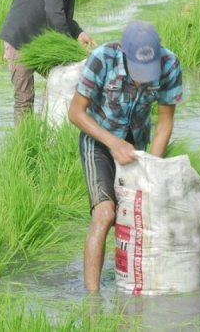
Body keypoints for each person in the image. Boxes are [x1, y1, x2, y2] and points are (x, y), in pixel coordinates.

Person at [68, 20, 183, 292]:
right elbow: (76, 113)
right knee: (105, 214)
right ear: (124, 54)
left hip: (136, 142)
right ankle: (93, 299)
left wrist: (151, 169)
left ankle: (129, 280)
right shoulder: (102, 60)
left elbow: (165, 123)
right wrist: (112, 142)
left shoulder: (169, 65)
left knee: (134, 212)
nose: (144, 77)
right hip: (98, 138)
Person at [0, 0, 110, 124]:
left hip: (42, 41)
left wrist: (78, 33)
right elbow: (53, 12)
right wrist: (71, 49)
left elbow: (64, 16)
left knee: (62, 84)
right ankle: (25, 146)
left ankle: (49, 134)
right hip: (21, 40)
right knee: (24, 99)